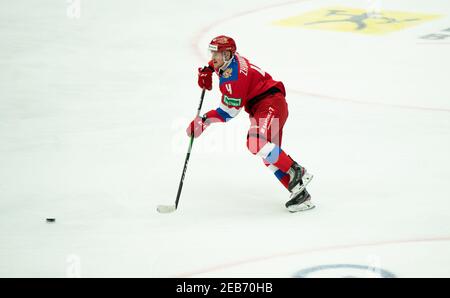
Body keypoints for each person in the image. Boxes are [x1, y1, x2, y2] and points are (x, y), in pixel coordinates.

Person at [186, 35, 314, 212]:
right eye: (212, 53)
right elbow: (219, 65)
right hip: (269, 105)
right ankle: (301, 196)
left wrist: (204, 120)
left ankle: (296, 169)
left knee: (255, 143)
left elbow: (228, 113)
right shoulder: (231, 61)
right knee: (270, 156)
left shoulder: (233, 80)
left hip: (269, 105)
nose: (213, 57)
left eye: (217, 54)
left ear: (228, 54)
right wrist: (209, 69)